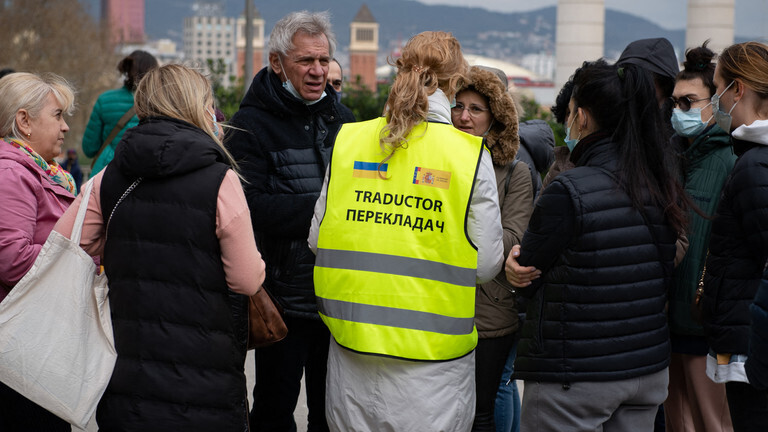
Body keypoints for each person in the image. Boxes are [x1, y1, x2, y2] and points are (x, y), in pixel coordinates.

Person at [309, 31, 504, 431]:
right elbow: (484, 264)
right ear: (453, 83)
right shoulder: (467, 155)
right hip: (432, 372)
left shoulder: (350, 140)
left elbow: (317, 239)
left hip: (352, 353)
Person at [53, 64, 265, 431]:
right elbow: (247, 279)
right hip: (204, 374)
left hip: (127, 369)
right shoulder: (221, 180)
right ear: (197, 106)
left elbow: (67, 244)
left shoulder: (110, 175)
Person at [505, 58, 690, 431]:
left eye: (571, 112)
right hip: (646, 369)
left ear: (583, 117)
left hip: (575, 372)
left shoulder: (569, 188)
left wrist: (514, 268)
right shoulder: (658, 182)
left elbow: (530, 270)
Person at [225, 11, 355, 431]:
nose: (317, 71)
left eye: (323, 60)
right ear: (277, 62)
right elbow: (247, 208)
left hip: (340, 293)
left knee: (331, 412)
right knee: (274, 410)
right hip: (282, 297)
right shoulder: (249, 126)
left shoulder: (348, 123)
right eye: (305, 61)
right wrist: (324, 213)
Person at [451, 65, 533, 432]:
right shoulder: (439, 161)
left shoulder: (516, 174)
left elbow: (512, 241)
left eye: (475, 109)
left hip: (490, 312)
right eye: (458, 106)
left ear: (494, 118)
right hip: (442, 303)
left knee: (482, 409)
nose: (464, 116)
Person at [664, 41, 735, 432]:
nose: (680, 111)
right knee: (678, 422)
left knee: (714, 422)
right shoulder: (674, 159)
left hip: (706, 327)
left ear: (716, 101)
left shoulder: (729, 160)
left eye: (689, 102)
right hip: (668, 324)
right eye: (675, 102)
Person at [0, 71, 76, 431]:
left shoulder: (40, 172)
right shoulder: (12, 175)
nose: (64, 128)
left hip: (36, 343)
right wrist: (80, 255)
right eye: (57, 115)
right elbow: (11, 259)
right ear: (24, 121)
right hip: (22, 350)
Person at [699, 41, 768, 432]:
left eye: (717, 88)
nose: (715, 101)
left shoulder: (754, 165)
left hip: (752, 344)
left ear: (737, 90)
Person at [82, 50, 158, 175]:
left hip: (106, 173)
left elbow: (89, 148)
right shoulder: (157, 104)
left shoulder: (104, 100)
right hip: (143, 174)